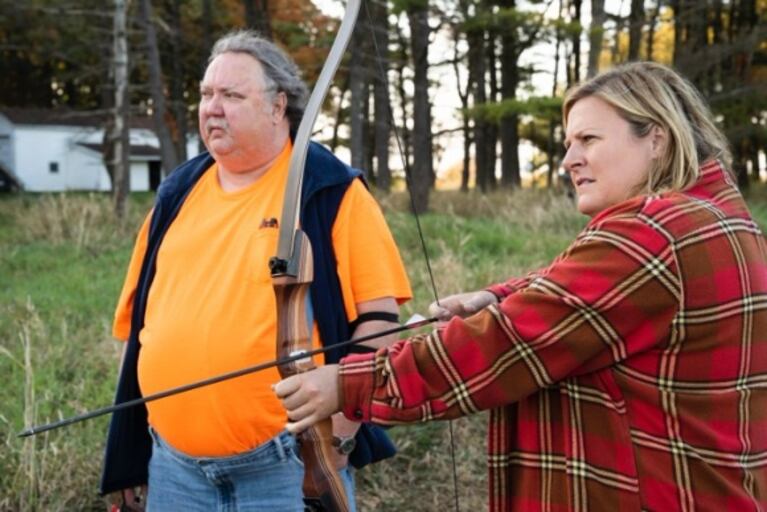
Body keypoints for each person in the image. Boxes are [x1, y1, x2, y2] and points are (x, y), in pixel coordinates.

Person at [276, 62, 767, 511]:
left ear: (656, 138)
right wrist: (499, 295)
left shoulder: (650, 235)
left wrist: (348, 382)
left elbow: (503, 343)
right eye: (568, 143)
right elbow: (579, 292)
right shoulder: (717, 217)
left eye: (589, 139)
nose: (569, 160)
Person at [100, 30, 412, 512]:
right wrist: (129, 452)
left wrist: (342, 431)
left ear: (277, 106)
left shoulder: (329, 191)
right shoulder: (175, 195)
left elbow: (380, 321)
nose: (212, 107)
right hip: (173, 470)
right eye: (206, 94)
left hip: (290, 467)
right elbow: (137, 333)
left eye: (231, 95)